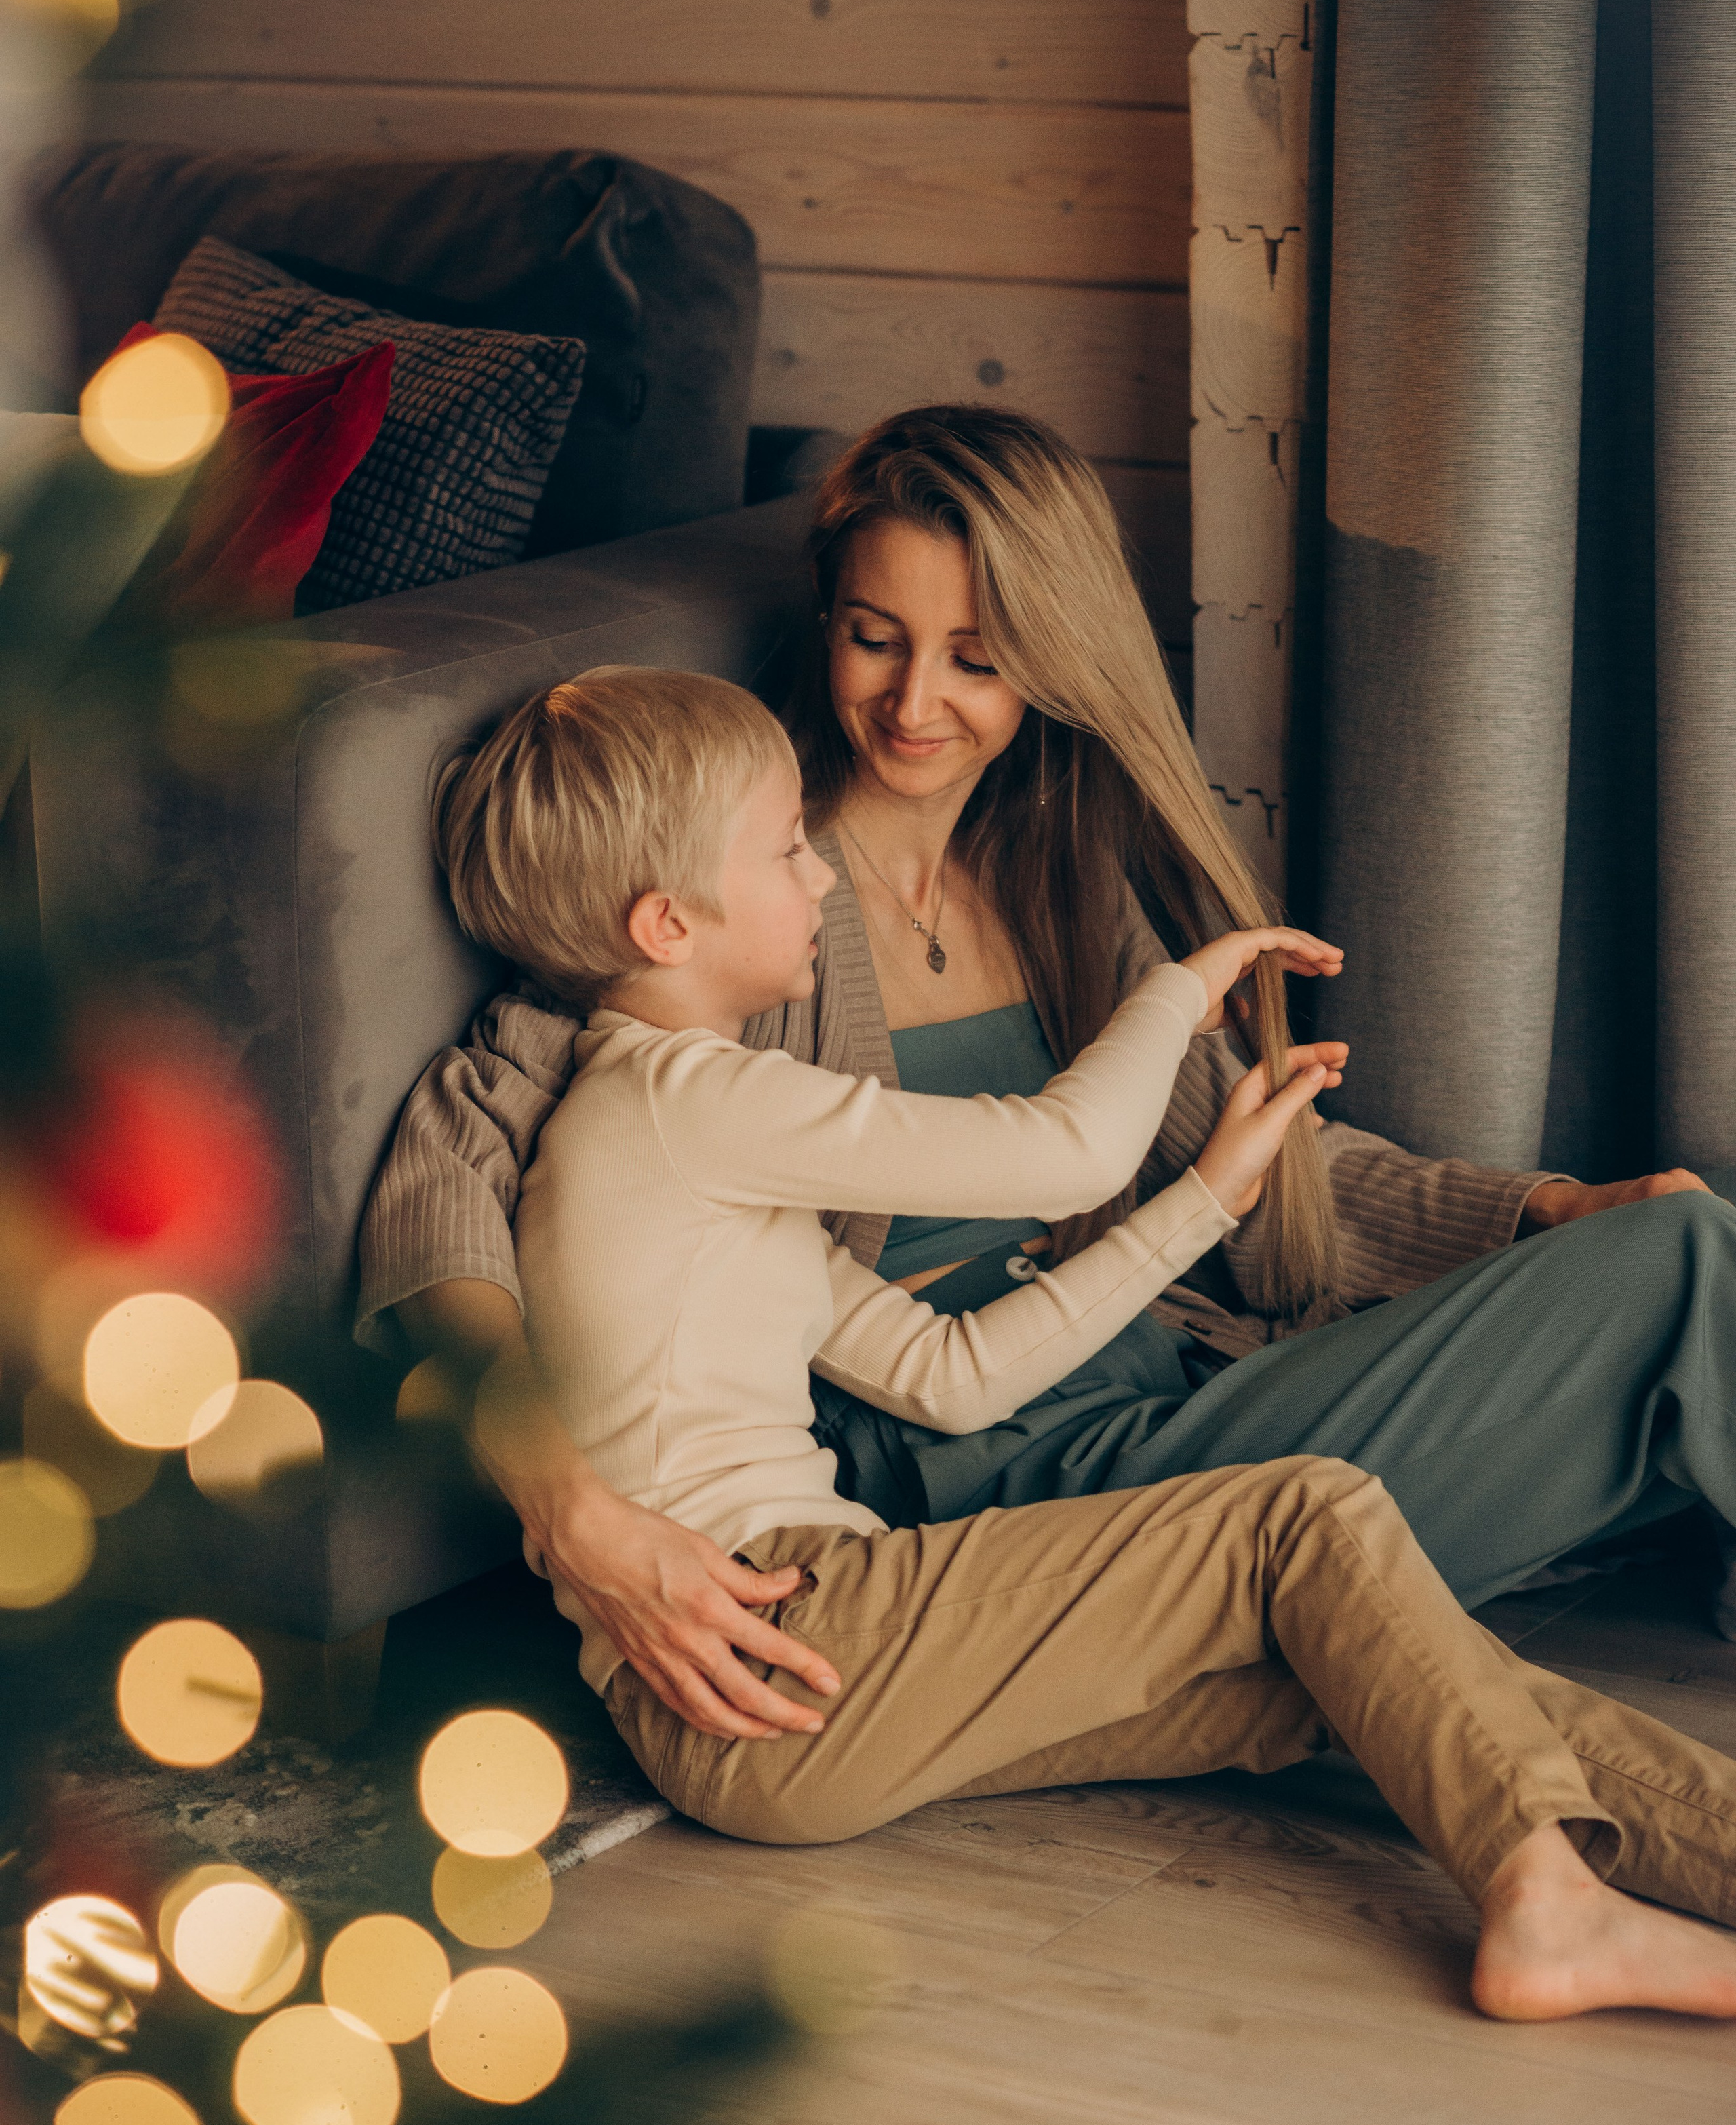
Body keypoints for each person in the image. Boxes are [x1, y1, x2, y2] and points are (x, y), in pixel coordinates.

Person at [360, 403, 1736, 1750]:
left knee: (1675, 1257)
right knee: (1681, 1271)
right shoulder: (727, 912)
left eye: (974, 656)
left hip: (1166, 1393)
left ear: (1047, 660)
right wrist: (569, 1508)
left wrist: (1538, 1210)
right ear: (826, 623)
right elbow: (445, 1186)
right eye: (872, 639)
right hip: (975, 1483)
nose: (912, 702)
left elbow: (1254, 1165)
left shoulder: (1053, 880)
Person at [437, 661, 1736, 2026]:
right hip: (791, 1627)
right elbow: (1064, 1153)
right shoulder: (683, 1094)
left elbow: (956, 1376)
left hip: (809, 1663)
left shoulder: (703, 1166)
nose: (819, 874)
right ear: (663, 924)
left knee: (1343, 1660)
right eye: (781, 852)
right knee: (1307, 1516)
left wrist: (1199, 1204)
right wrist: (1180, 989)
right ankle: (1544, 1905)